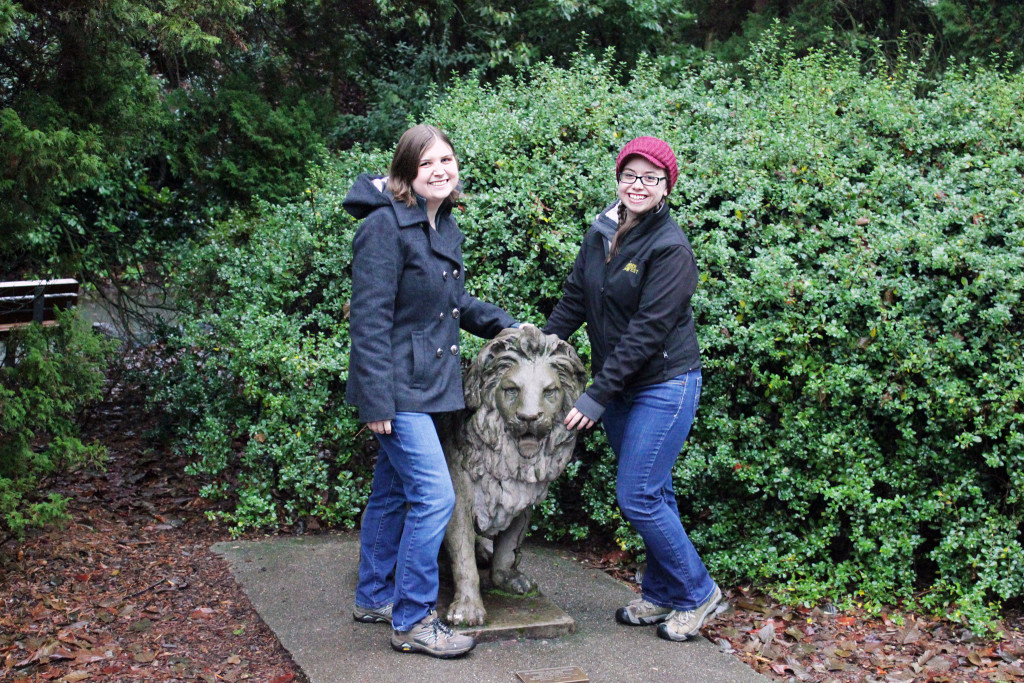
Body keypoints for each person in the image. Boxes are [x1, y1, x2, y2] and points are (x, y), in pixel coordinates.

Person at [343, 124, 518, 658]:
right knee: (436, 496)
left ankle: (374, 596)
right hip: (397, 390)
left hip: (432, 386)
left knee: (393, 491)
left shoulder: (444, 227)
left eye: (447, 159)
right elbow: (369, 322)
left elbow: (454, 304)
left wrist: (510, 328)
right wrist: (376, 401)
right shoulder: (383, 228)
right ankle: (413, 619)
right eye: (427, 164)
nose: (440, 170)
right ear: (405, 173)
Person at [543, 136, 722, 642]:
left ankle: (699, 592)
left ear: (666, 187)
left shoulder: (671, 248)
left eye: (650, 178)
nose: (637, 186)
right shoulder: (602, 230)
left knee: (638, 495)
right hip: (621, 387)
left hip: (664, 385)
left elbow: (647, 332)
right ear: (618, 179)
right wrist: (543, 348)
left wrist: (596, 395)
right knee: (654, 491)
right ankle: (663, 593)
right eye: (630, 175)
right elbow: (575, 297)